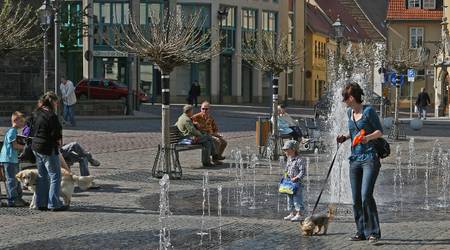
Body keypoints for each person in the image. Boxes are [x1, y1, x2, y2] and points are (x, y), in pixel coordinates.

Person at [336, 82, 383, 244]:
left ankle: (374, 232)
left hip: (370, 158)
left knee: (365, 196)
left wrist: (367, 138)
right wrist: (345, 137)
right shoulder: (350, 112)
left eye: (345, 98)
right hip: (355, 159)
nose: (344, 101)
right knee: (356, 198)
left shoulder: (369, 111)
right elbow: (353, 132)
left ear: (352, 98)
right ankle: (361, 231)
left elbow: (380, 131)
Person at [31, 91, 67, 211]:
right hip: (47, 147)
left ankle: (41, 203)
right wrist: (58, 142)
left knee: (42, 175)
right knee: (55, 176)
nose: (57, 105)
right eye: (56, 102)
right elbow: (56, 133)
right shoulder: (51, 116)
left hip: (36, 146)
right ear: (52, 102)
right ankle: (54, 203)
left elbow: (29, 126)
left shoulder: (37, 113)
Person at [0, 111, 29, 207]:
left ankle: (18, 198)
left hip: (12, 159)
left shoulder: (13, 131)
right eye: (21, 121)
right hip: (9, 159)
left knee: (16, 179)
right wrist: (25, 147)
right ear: (15, 121)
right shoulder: (12, 131)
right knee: (12, 180)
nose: (23, 124)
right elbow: (14, 145)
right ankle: (13, 199)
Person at [281, 140, 306, 222]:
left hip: (297, 183)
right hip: (289, 183)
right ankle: (292, 213)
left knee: (297, 199)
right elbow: (287, 169)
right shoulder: (289, 159)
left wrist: (297, 178)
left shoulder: (299, 160)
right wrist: (285, 175)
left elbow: (303, 171)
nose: (285, 151)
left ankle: (299, 214)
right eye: (284, 150)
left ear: (293, 149)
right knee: (290, 198)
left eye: (286, 149)